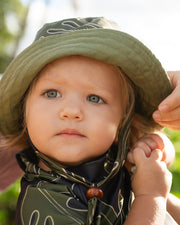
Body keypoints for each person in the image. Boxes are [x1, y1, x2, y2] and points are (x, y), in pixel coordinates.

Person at [0, 17, 178, 225]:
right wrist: (151, 196)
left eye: (95, 98)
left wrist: (151, 166)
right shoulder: (43, 202)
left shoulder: (115, 171)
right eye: (51, 93)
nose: (71, 111)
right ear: (24, 113)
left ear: (122, 123)